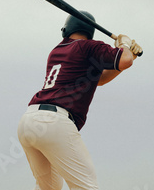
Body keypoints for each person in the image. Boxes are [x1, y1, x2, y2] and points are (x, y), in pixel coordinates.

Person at [17, 11, 142, 190]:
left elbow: (100, 79)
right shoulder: (89, 47)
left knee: (48, 188)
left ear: (66, 29)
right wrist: (125, 44)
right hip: (55, 123)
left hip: (29, 121)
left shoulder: (58, 50)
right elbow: (125, 59)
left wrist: (128, 54)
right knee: (87, 187)